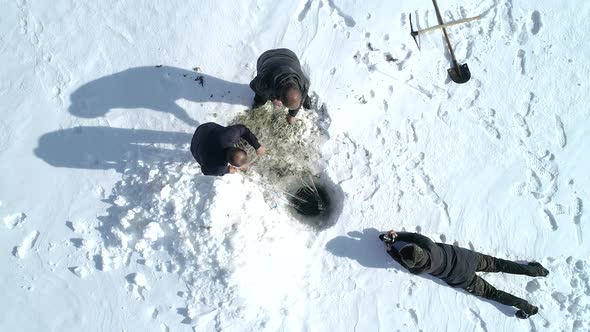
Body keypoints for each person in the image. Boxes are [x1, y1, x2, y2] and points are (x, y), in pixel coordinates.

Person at [379, 230, 549, 319]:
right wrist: (397, 235)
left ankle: (527, 307)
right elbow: (413, 236)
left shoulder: (418, 269)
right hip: (469, 259)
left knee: (493, 293)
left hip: (463, 278)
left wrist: (390, 250)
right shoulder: (428, 244)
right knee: (499, 264)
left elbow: (401, 259)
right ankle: (536, 270)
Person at [249, 48, 311, 125]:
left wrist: (292, 115)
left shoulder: (304, 83)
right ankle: (259, 102)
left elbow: (299, 99)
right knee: (262, 93)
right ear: (280, 98)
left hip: (289, 55)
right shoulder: (265, 81)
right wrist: (272, 98)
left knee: (304, 95)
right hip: (266, 58)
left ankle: (306, 98)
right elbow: (253, 85)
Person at [190, 122, 265, 176]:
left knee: (221, 131)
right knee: (205, 161)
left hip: (204, 129)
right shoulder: (219, 167)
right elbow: (205, 170)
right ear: (230, 164)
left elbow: (244, 129)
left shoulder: (229, 134)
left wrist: (257, 146)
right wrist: (227, 170)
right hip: (195, 147)